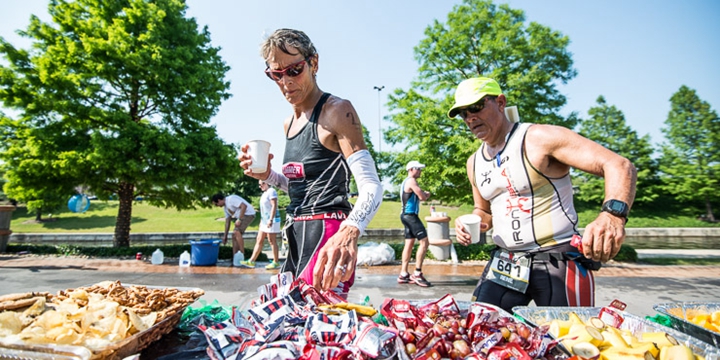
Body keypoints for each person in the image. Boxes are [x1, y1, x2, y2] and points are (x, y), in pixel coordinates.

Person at [449, 77, 637, 313]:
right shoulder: (474, 162)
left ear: (500, 102)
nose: (470, 118)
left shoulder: (539, 138)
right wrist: (472, 223)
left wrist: (612, 216)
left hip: (556, 257)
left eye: (476, 107)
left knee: (568, 342)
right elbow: (484, 211)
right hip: (507, 261)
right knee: (480, 329)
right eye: (463, 114)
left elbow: (618, 165)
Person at [238, 28, 382, 297]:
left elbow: (372, 187)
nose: (285, 82)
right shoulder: (288, 122)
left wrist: (350, 231)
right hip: (296, 233)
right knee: (286, 327)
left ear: (313, 63)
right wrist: (268, 175)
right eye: (275, 74)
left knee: (321, 331)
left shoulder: (337, 110)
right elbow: (300, 188)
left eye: (294, 70)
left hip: (329, 235)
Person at [397, 160, 433, 287]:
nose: (420, 171)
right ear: (411, 169)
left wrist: (422, 194)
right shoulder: (411, 181)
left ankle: (403, 273)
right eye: (418, 169)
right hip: (410, 216)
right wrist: (426, 194)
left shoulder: (405, 182)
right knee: (424, 242)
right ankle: (417, 273)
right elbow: (422, 197)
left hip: (405, 216)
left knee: (409, 243)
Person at [240, 180, 282, 269]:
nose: (260, 186)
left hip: (272, 220)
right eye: (259, 185)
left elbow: (274, 205)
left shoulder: (271, 191)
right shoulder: (264, 193)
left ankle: (276, 262)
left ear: (266, 183)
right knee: (259, 239)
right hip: (264, 221)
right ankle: (251, 261)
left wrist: (270, 219)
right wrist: (262, 221)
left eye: (261, 184)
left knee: (271, 241)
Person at [211, 193, 256, 261]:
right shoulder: (226, 208)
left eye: (216, 204)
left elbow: (244, 206)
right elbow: (227, 222)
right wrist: (225, 236)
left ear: (219, 200)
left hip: (248, 214)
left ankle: (242, 255)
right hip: (242, 216)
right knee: (234, 235)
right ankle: (235, 257)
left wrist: (239, 219)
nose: (217, 206)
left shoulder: (231, 199)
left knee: (236, 232)